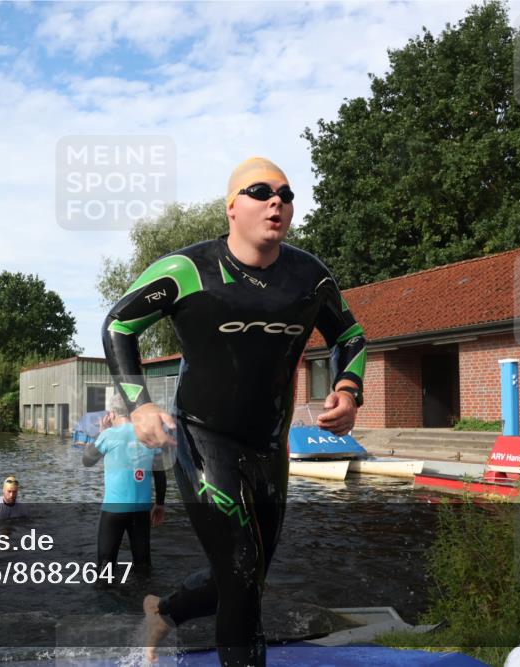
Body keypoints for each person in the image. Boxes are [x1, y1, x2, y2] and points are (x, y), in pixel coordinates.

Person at [102, 156, 366, 666]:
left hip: (268, 444)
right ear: (231, 208)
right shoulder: (187, 270)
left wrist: (349, 389)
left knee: (248, 577)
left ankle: (166, 612)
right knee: (242, 569)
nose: (277, 201)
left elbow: (349, 337)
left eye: (286, 194)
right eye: (261, 191)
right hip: (202, 437)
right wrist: (140, 404)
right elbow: (119, 325)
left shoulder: (308, 277)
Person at [83, 393, 166, 573]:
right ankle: (146, 599)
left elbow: (87, 460)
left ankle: (106, 598)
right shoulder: (149, 435)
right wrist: (159, 503)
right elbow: (160, 474)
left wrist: (102, 431)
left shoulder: (108, 435)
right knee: (143, 565)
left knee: (106, 567)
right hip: (141, 509)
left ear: (111, 414)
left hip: (114, 510)